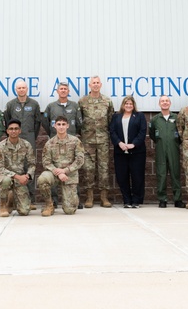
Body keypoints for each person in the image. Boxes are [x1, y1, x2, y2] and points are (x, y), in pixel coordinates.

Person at [2, 79, 43, 208]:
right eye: (19, 88)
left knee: (29, 166)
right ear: (16, 90)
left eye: (23, 88)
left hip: (29, 138)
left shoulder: (34, 104)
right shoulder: (10, 105)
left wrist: (32, 135)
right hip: (14, 139)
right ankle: (13, 198)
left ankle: (30, 199)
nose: (21, 90)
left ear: (27, 89)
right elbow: (7, 121)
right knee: (14, 166)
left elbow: (37, 122)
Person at [79, 75, 115, 208]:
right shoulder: (82, 101)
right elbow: (79, 120)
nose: (95, 85)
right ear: (89, 85)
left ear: (100, 85)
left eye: (97, 83)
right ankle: (90, 197)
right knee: (88, 169)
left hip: (103, 140)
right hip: (87, 141)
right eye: (93, 83)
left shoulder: (107, 101)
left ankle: (104, 197)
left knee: (104, 168)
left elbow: (111, 119)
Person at [37, 117, 85, 216]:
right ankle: (49, 205)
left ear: (67, 126)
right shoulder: (49, 143)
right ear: (54, 126)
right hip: (54, 174)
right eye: (59, 124)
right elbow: (46, 162)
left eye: (63, 124)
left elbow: (80, 160)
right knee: (42, 179)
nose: (61, 127)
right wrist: (58, 172)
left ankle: (70, 200)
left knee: (70, 210)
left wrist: (65, 170)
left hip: (69, 175)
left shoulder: (75, 141)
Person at [109, 95, 147, 208]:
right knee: (122, 176)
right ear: (123, 105)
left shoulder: (140, 116)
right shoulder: (116, 117)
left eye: (130, 104)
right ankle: (126, 200)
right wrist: (119, 143)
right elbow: (112, 131)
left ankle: (136, 200)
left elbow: (142, 132)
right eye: (126, 104)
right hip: (120, 152)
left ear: (133, 105)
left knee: (137, 176)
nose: (128, 105)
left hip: (137, 152)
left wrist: (133, 144)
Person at [0, 120, 35, 217]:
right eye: (11, 129)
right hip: (5, 177)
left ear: (20, 131)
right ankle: (3, 205)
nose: (13, 131)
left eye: (16, 129)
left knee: (24, 211)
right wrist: (17, 176)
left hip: (20, 180)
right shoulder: (0, 146)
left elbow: (32, 164)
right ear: (7, 131)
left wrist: (28, 176)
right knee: (6, 180)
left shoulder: (26, 145)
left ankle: (11, 200)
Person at [149, 95, 182, 208]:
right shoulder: (155, 119)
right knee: (161, 174)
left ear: (170, 103)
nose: (165, 103)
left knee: (175, 174)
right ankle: (162, 199)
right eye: (162, 101)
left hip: (174, 149)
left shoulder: (177, 118)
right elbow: (152, 134)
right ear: (159, 104)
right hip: (160, 149)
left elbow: (181, 134)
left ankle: (178, 199)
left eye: (167, 101)